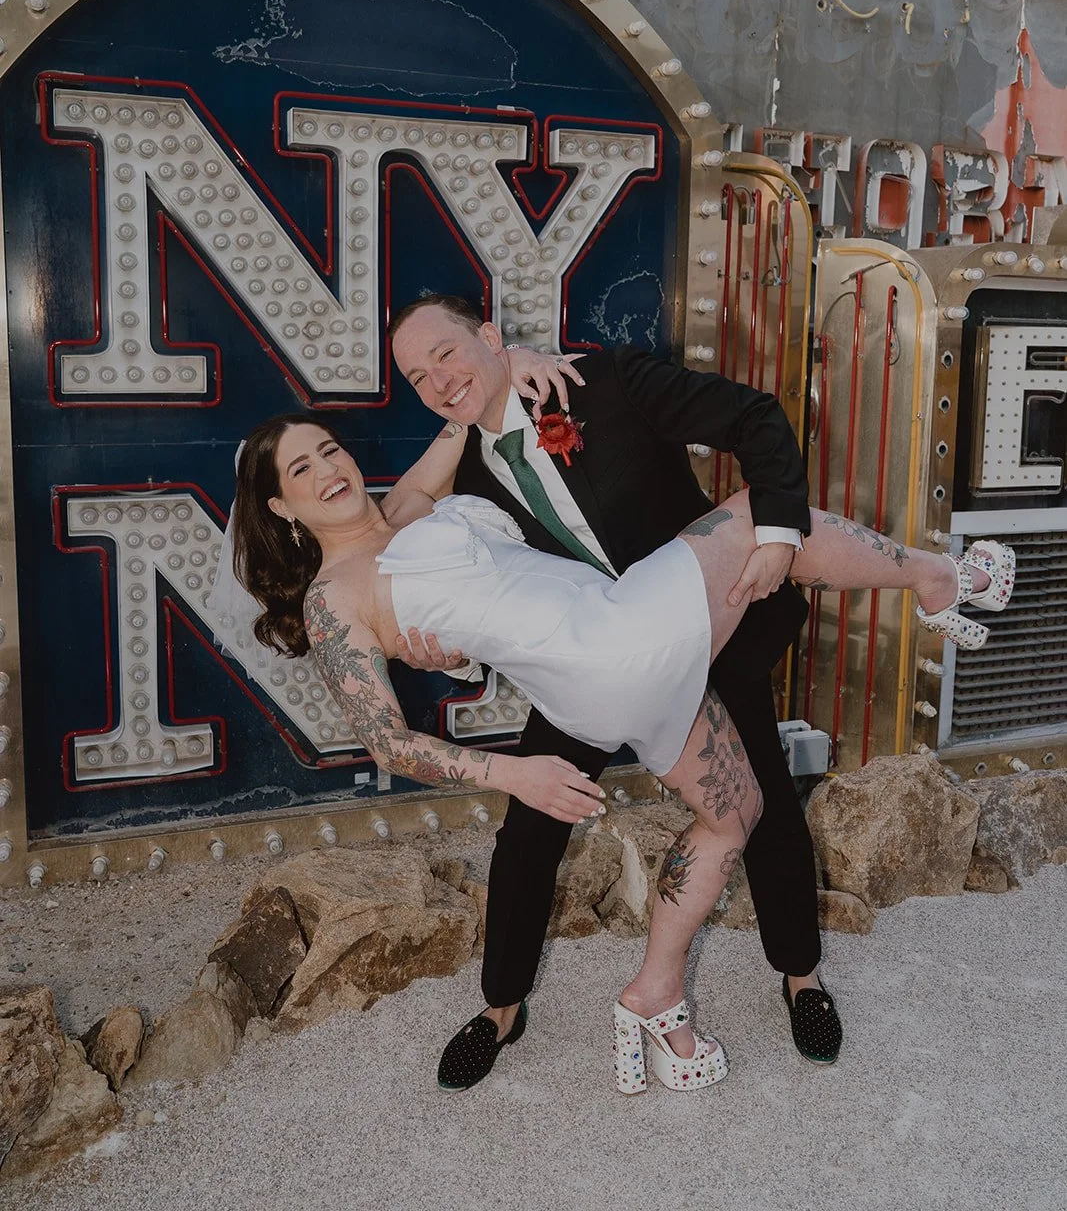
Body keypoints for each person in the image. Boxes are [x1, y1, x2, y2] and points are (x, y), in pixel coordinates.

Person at [227, 402, 1013, 1094]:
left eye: (328, 447)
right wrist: (518, 772)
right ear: (279, 503)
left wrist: (511, 366)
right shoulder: (333, 597)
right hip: (609, 641)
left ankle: (656, 991)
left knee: (736, 814)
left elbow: (462, 417)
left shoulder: (402, 507)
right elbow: (386, 742)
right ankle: (938, 577)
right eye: (302, 467)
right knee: (756, 516)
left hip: (620, 665)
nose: (328, 467)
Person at [385, 295, 1007, 1087]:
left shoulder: (600, 381)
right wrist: (451, 655)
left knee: (767, 806)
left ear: (489, 335)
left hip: (708, 630)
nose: (436, 380)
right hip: (588, 667)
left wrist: (779, 535)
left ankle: (800, 977)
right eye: (416, 376)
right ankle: (501, 1007)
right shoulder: (463, 479)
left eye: (445, 355)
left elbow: (752, 417)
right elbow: (476, 594)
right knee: (529, 830)